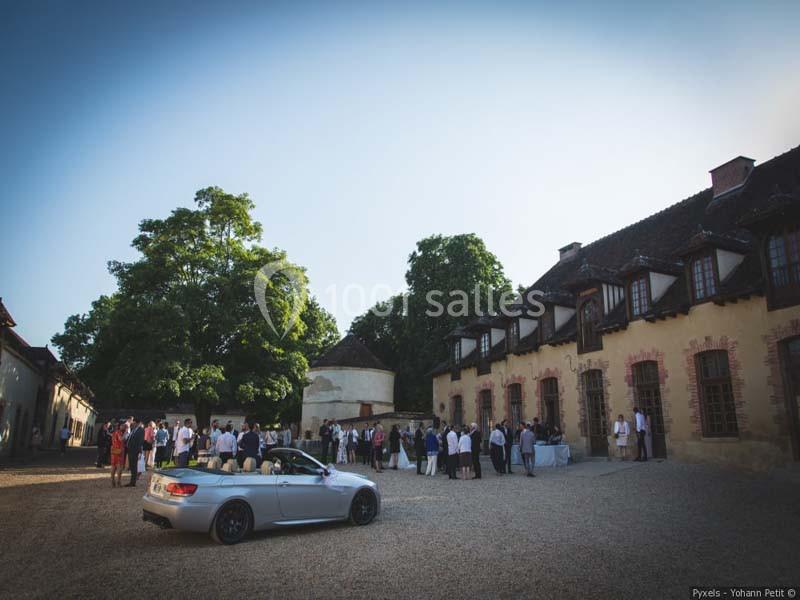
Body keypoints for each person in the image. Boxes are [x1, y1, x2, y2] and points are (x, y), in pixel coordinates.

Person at [126, 418, 144, 487]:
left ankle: (133, 482)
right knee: (132, 465)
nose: (133, 424)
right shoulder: (133, 429)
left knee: (134, 466)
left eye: (134, 423)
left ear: (137, 423)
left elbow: (140, 441)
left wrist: (139, 452)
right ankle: (132, 481)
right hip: (130, 449)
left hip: (135, 450)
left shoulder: (141, 430)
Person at [110, 422, 126, 487]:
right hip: (119, 451)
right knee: (119, 467)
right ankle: (118, 482)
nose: (125, 427)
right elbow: (120, 439)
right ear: (120, 426)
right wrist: (125, 434)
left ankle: (112, 481)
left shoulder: (114, 432)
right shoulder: (119, 432)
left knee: (113, 466)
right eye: (123, 426)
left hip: (114, 450)